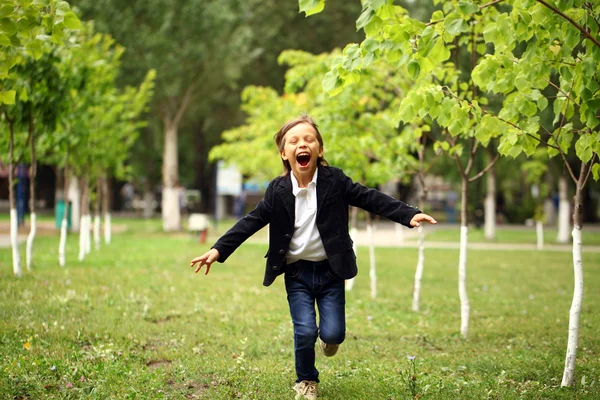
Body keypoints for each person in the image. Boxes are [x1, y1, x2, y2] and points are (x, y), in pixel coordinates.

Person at [190, 114, 437, 400]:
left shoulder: (335, 181)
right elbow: (252, 220)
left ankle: (329, 342)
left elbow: (370, 198)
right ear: (284, 153)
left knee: (333, 335)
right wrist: (218, 249)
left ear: (319, 149)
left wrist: (408, 214)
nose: (302, 144)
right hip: (297, 273)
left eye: (309, 139)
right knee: (305, 330)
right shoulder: (277, 190)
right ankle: (306, 380)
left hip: (331, 271)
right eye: (293, 141)